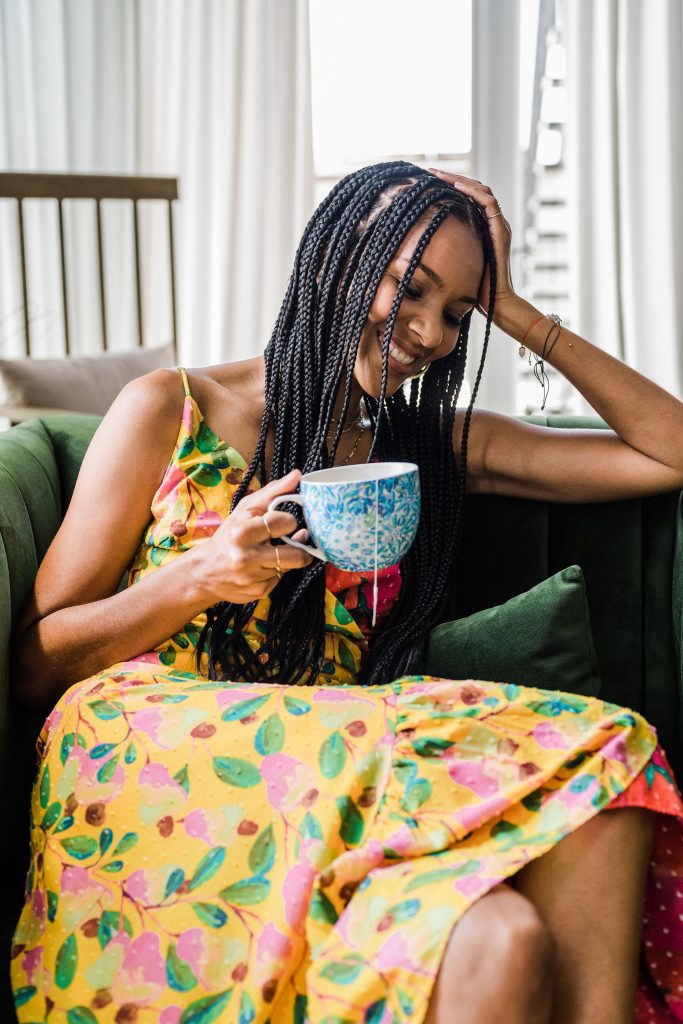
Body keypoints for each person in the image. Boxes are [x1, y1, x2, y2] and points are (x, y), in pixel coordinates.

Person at [9, 161, 683, 1024]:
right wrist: (199, 575)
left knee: (577, 821)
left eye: (455, 313)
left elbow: (667, 450)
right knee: (593, 743)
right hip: (149, 749)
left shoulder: (429, 445)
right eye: (411, 287)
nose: (429, 332)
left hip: (332, 769)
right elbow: (36, 660)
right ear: (332, 263)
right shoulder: (168, 410)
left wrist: (513, 311)